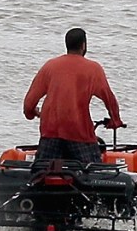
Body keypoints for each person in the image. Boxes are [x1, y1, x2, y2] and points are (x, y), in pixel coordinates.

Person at [24, 27, 123, 165]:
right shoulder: (93, 69)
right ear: (83, 45)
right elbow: (109, 99)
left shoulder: (50, 66)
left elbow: (29, 104)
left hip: (50, 133)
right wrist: (115, 120)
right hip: (79, 134)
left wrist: (32, 113)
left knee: (41, 173)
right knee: (94, 171)